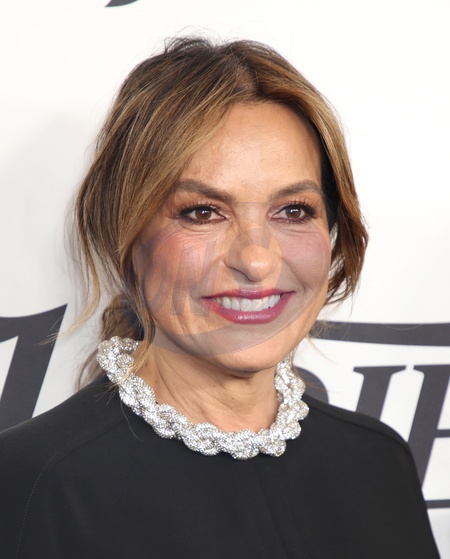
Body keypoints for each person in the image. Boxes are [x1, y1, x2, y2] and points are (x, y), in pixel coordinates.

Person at [0, 37, 439, 558]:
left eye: (293, 210)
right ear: (126, 233)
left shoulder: (379, 464)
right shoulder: (32, 484)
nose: (257, 260)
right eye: (203, 212)